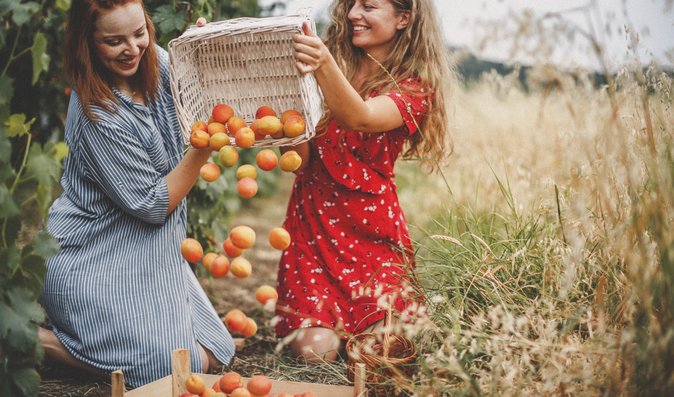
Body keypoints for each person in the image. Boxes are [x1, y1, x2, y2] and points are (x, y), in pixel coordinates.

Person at [38, 0, 235, 387]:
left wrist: (203, 57)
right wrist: (203, 149)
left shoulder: (155, 62)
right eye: (114, 41)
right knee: (176, 371)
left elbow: (199, 98)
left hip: (149, 253)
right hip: (92, 260)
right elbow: (152, 205)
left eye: (139, 32)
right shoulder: (97, 112)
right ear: (87, 43)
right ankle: (40, 342)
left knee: (213, 351)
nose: (132, 48)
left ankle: (97, 343)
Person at [275, 0, 453, 362]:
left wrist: (322, 66)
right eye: (352, 4)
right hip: (314, 229)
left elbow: (363, 118)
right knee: (316, 352)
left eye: (369, 6)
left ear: (404, 18)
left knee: (377, 352)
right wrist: (287, 100)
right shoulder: (332, 65)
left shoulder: (415, 86)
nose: (354, 14)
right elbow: (300, 162)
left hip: (373, 237)